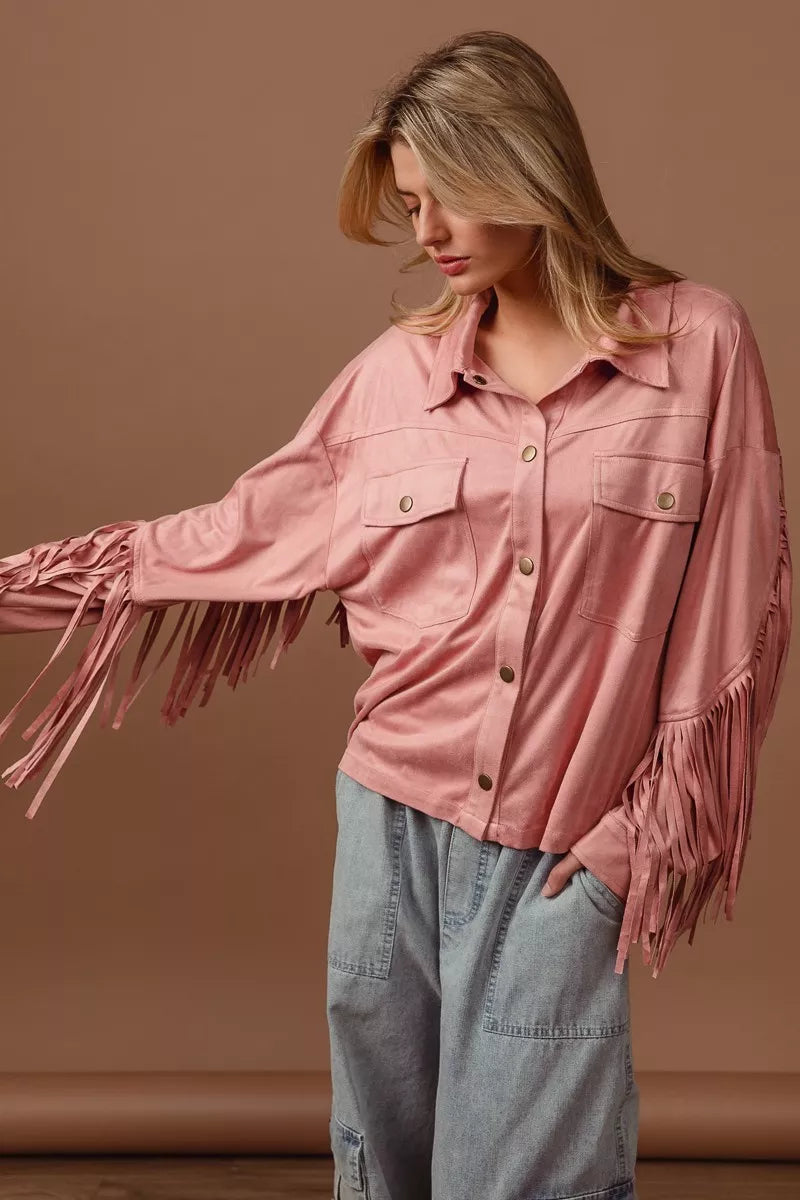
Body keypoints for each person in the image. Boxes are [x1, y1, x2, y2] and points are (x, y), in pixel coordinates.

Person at [0, 29, 792, 1200]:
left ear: (527, 171)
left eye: (446, 197)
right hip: (390, 826)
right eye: (409, 203)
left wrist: (637, 840)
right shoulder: (392, 375)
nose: (422, 234)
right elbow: (231, 534)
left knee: (526, 1181)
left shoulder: (697, 345)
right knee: (384, 1173)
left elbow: (736, 618)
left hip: (565, 850)